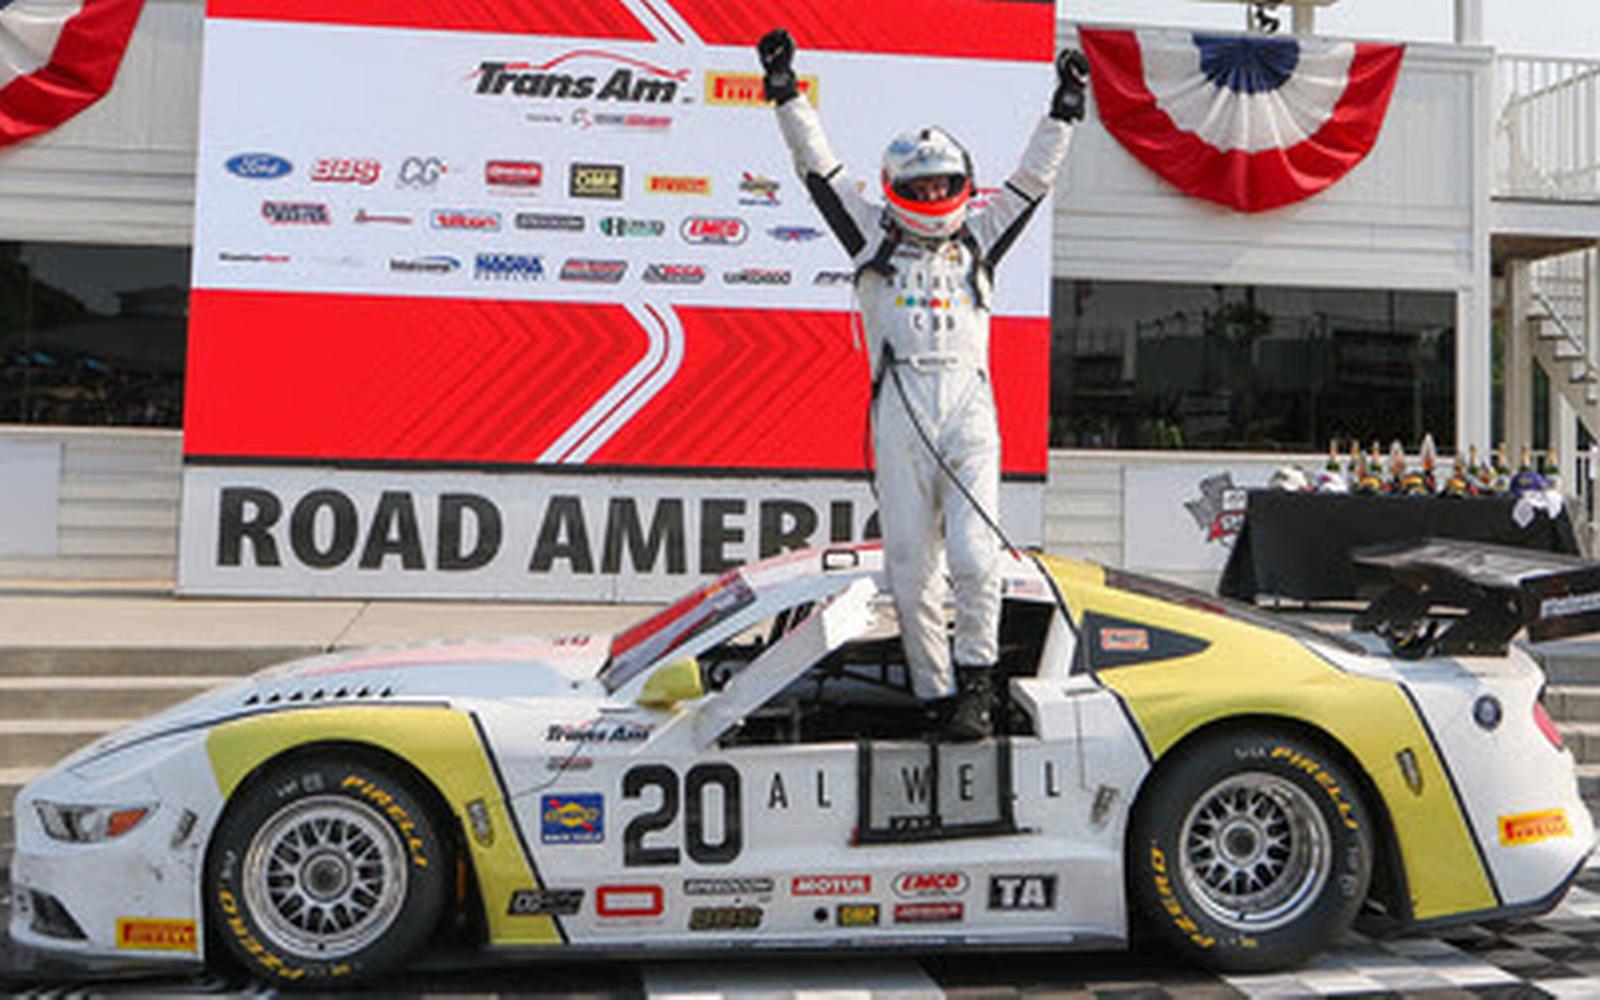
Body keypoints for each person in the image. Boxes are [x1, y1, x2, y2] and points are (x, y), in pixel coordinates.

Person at [758, 29, 1087, 740]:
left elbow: (1032, 178)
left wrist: (1064, 109)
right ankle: (936, 698)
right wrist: (785, 93)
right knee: (910, 568)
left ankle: (977, 687)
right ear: (897, 189)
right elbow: (818, 168)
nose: (934, 194)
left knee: (976, 558)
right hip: (899, 411)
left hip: (971, 411)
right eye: (921, 185)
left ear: (961, 182)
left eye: (944, 182)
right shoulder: (872, 236)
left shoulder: (980, 238)